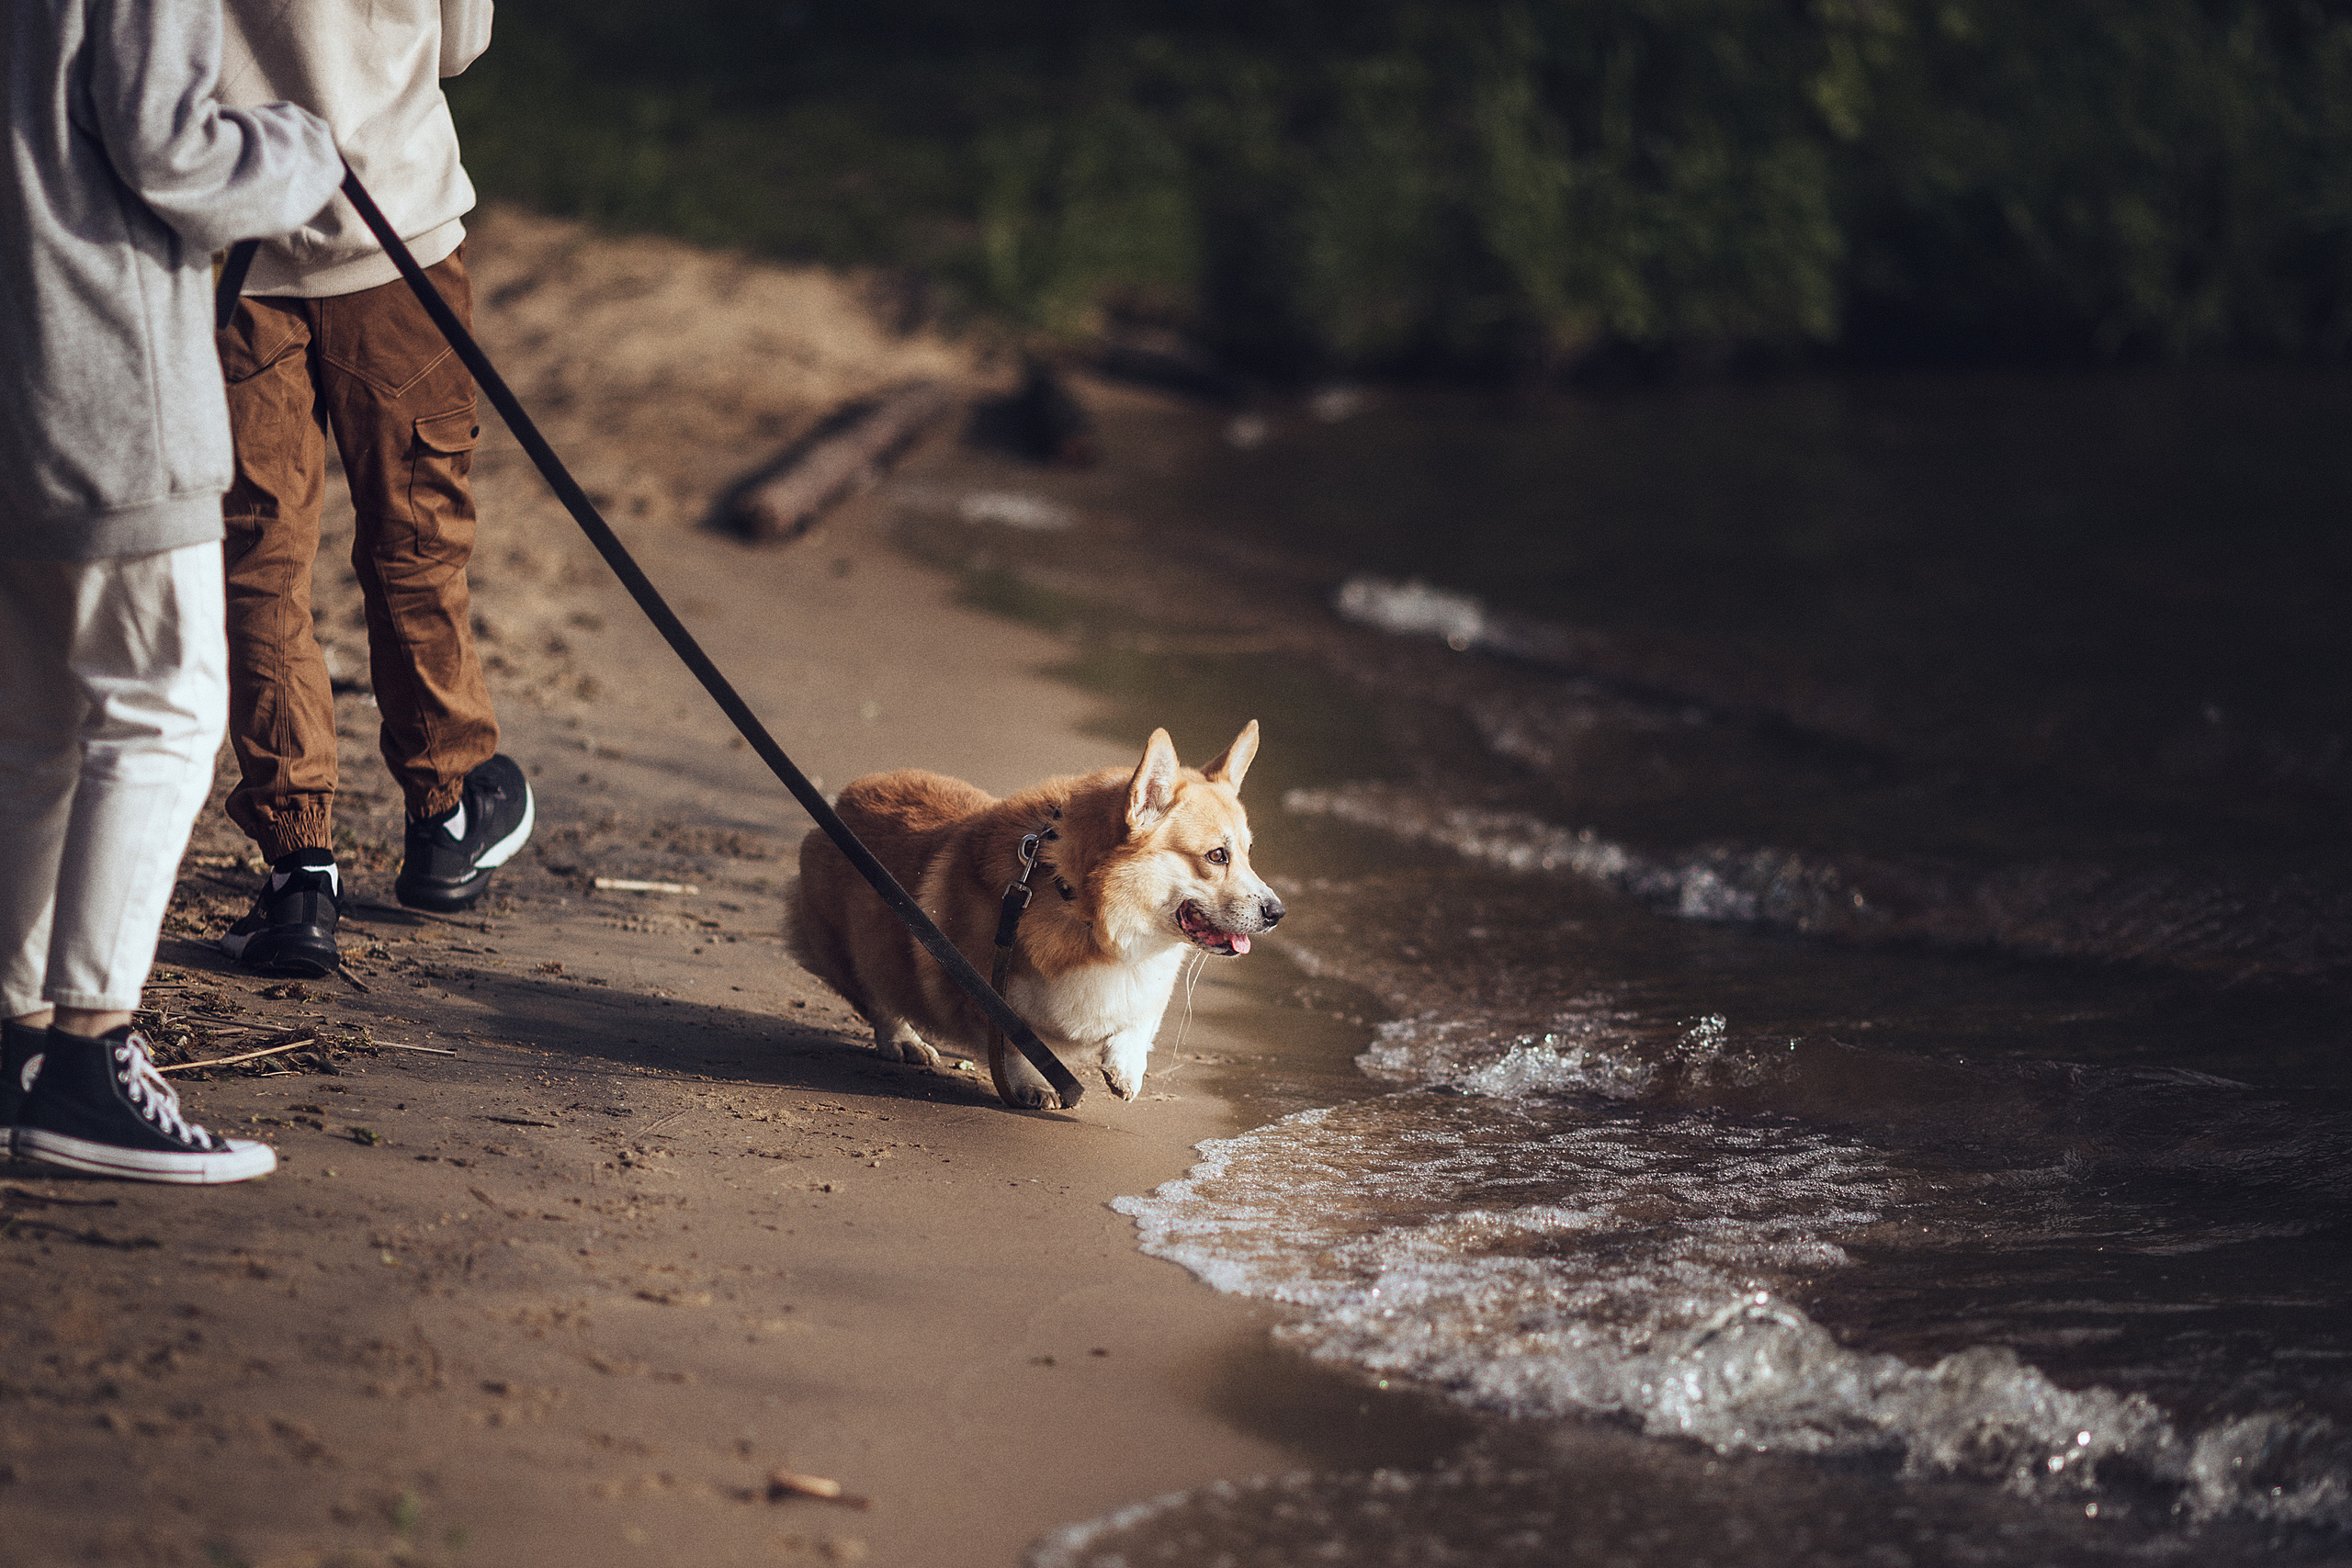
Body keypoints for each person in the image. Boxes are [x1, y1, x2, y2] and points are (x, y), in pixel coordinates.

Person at [2, 0, 346, 1180]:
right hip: (103, 383)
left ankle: (20, 1048)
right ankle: (93, 1057)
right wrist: (301, 148)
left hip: (13, 389)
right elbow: (170, 150)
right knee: (163, 713)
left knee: (39, 729)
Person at [209, 0, 530, 980]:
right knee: (417, 530)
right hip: (396, 232)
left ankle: (300, 863)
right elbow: (461, 43)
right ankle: (445, 809)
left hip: (231, 242)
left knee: (259, 551)